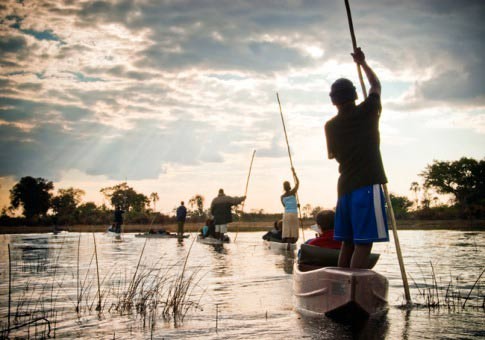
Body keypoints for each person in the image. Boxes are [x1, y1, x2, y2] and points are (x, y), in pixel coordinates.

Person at [324, 47, 389, 269]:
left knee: (348, 244)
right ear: (353, 95)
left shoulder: (330, 126)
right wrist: (363, 63)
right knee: (363, 245)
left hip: (344, 190)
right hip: (366, 186)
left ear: (334, 101)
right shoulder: (369, 110)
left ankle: (342, 287)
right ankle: (354, 290)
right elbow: (376, 86)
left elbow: (335, 156)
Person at [281, 167, 299, 243]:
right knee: (293, 233)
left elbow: (285, 206)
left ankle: (287, 244)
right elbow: (297, 183)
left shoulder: (282, 197)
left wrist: (296, 205)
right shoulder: (293, 192)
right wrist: (294, 173)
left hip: (286, 215)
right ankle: (290, 244)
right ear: (289, 186)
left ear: (284, 188)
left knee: (287, 232)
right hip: (294, 214)